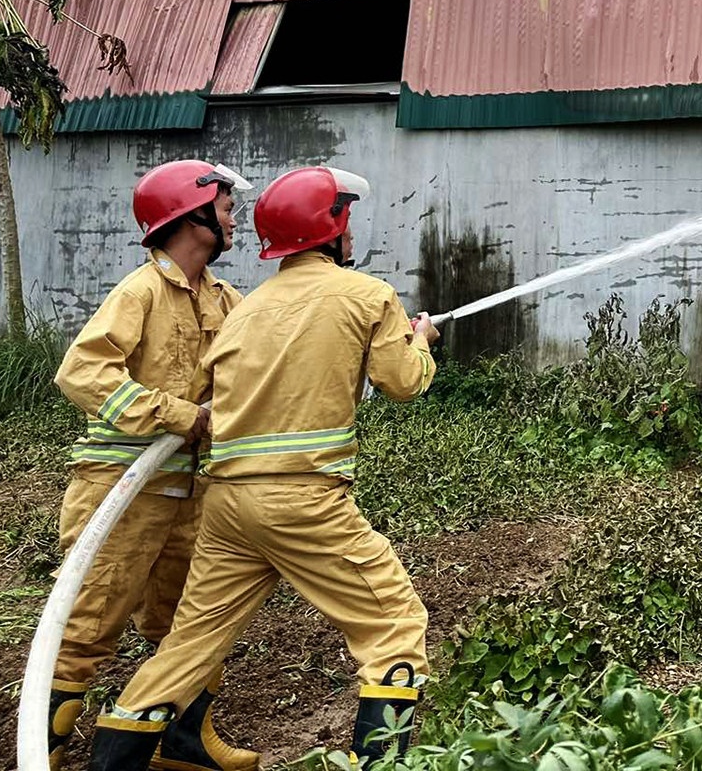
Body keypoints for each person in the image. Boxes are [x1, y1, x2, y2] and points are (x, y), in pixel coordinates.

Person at [86, 165, 440, 771]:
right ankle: (381, 764)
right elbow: (401, 382)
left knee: (188, 646)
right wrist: (421, 342)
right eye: (346, 218)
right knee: (394, 624)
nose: (352, 233)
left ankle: (109, 765)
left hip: (225, 507)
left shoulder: (244, 311)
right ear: (330, 226)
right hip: (304, 501)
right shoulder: (367, 296)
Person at [49, 160, 257, 771]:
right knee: (85, 629)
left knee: (188, 627)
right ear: (190, 216)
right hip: (122, 495)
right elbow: (82, 372)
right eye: (223, 205)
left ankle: (182, 745)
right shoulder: (140, 293)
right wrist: (175, 415)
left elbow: (265, 361)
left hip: (191, 498)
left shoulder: (227, 300)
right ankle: (46, 753)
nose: (233, 216)